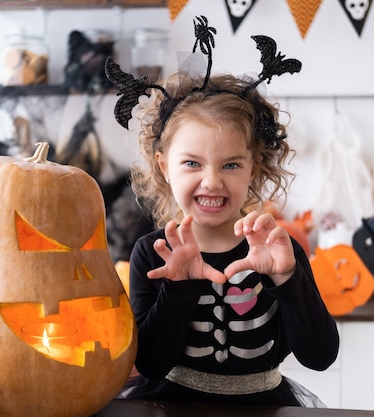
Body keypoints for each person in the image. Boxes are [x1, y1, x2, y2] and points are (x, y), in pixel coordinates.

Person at [106, 15, 339, 407]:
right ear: (164, 165)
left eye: (230, 165)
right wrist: (178, 285)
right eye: (192, 163)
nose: (212, 181)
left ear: (254, 166)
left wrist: (287, 278)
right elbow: (148, 362)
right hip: (173, 407)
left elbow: (319, 356)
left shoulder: (278, 252)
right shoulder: (153, 253)